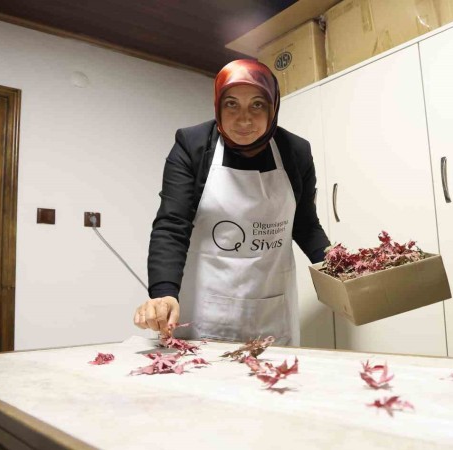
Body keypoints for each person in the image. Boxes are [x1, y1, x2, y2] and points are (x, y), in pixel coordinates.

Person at [134, 59, 330, 346]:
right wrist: (163, 292)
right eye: (232, 104)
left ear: (273, 106)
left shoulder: (295, 152)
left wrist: (338, 267)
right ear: (218, 105)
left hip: (271, 306)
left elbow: (305, 224)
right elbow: (172, 225)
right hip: (206, 307)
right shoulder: (192, 146)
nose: (244, 119)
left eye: (257, 105)